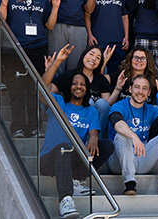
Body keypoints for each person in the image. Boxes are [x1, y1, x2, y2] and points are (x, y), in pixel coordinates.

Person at [40, 44, 114, 219]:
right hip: (50, 159)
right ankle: (65, 200)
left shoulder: (91, 111)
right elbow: (42, 89)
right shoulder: (59, 102)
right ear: (69, 87)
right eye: (74, 84)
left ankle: (77, 179)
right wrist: (57, 63)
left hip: (73, 159)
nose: (78, 86)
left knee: (107, 145)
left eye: (82, 84)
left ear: (87, 89)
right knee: (64, 146)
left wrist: (94, 137)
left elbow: (94, 132)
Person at [0, 0, 61, 137]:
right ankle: (17, 127)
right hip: (15, 49)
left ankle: (34, 127)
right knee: (16, 90)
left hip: (38, 48)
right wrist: (4, 2)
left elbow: (49, 26)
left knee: (35, 90)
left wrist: (55, 7)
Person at [108, 74, 158, 195]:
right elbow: (117, 123)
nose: (140, 91)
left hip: (142, 158)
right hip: (119, 161)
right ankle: (129, 183)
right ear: (130, 89)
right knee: (122, 135)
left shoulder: (151, 109)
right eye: (137, 87)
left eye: (144, 88)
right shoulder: (120, 105)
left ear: (149, 92)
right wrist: (133, 136)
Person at [50, 44, 114, 136]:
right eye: (91, 54)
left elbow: (106, 106)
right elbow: (49, 91)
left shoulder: (101, 79)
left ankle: (95, 139)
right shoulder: (69, 75)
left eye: (98, 58)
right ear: (84, 55)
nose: (93, 58)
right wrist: (49, 69)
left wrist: (118, 88)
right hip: (73, 119)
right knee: (89, 102)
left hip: (94, 124)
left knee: (101, 103)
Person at [85, 0, 129, 75]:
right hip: (98, 40)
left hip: (118, 40)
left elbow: (124, 15)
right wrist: (89, 34)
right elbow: (87, 13)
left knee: (116, 74)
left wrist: (126, 36)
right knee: (97, 73)